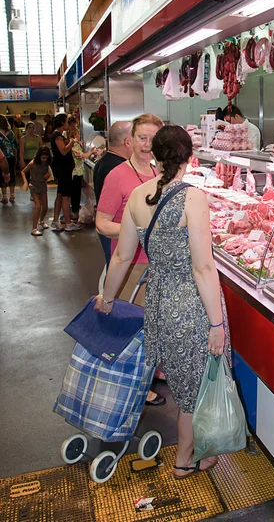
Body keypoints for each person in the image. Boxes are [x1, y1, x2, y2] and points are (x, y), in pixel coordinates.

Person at [95, 125, 229, 478]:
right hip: (192, 306)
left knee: (182, 381)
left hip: (157, 301)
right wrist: (216, 324)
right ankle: (186, 459)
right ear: (189, 158)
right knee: (194, 388)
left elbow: (122, 257)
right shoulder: (192, 197)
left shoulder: (138, 196)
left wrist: (107, 298)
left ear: (153, 155)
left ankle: (191, 449)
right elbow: (202, 267)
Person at [96, 113, 165, 407]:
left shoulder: (159, 173)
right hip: (130, 265)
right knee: (132, 328)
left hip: (157, 264)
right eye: (142, 138)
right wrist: (134, 231)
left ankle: (150, 371)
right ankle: (135, 387)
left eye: (153, 139)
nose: (147, 145)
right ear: (130, 140)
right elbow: (101, 223)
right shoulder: (117, 176)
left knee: (153, 324)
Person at [93, 121, 134, 264]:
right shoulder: (118, 168)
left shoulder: (104, 162)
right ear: (128, 142)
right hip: (114, 232)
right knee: (114, 270)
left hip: (112, 231)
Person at [50, 113, 81, 233]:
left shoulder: (59, 135)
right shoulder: (57, 136)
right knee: (66, 196)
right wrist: (72, 142)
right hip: (63, 169)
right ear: (62, 123)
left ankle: (56, 219)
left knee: (60, 194)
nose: (68, 123)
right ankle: (68, 222)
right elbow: (63, 151)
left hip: (62, 168)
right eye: (67, 121)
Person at [21, 146, 52, 236]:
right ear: (39, 156)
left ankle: (41, 220)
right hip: (34, 186)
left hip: (42, 185)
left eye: (46, 158)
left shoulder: (47, 163)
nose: (44, 159)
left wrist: (48, 174)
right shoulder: (33, 163)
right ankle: (34, 228)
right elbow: (23, 171)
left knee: (45, 207)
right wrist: (25, 182)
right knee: (38, 206)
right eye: (43, 158)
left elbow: (48, 171)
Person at [70, 128, 95, 219]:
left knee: (76, 191)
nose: (79, 135)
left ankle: (75, 209)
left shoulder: (74, 145)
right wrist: (91, 151)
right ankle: (75, 211)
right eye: (78, 133)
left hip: (77, 171)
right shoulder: (75, 145)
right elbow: (81, 156)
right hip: (77, 172)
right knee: (76, 192)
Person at [0, 115, 17, 204]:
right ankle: (12, 195)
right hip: (11, 156)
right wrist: (16, 157)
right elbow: (14, 146)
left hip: (1, 157)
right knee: (12, 175)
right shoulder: (11, 133)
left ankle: (4, 196)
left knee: (2, 176)